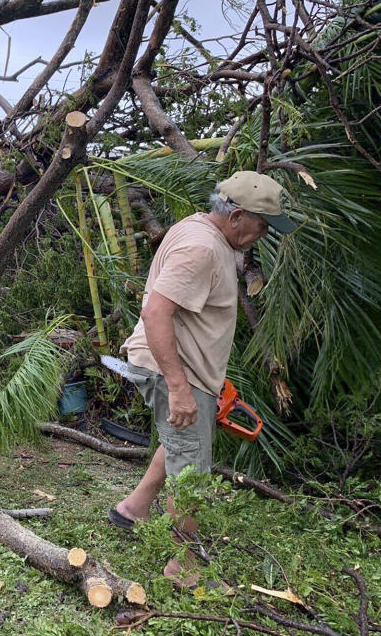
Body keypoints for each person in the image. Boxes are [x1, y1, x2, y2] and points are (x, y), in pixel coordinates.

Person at [108, 170, 296, 587]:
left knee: (181, 441)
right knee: (191, 468)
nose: (264, 233)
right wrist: (179, 388)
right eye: (262, 224)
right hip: (175, 368)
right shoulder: (201, 248)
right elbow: (156, 312)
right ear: (236, 216)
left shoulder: (203, 230)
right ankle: (183, 567)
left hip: (189, 369)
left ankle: (133, 509)